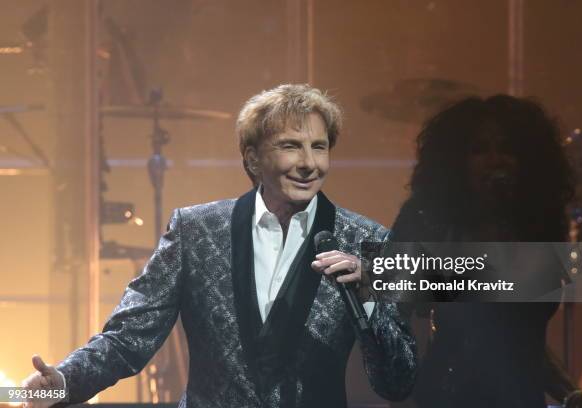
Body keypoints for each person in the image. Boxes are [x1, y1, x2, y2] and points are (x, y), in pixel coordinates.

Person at [22, 84, 417, 408]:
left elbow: (397, 381)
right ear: (253, 158)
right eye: (290, 146)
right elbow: (128, 338)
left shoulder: (366, 241)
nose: (309, 163)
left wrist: (369, 294)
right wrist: (60, 382)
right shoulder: (196, 230)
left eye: (319, 146)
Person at [390, 95, 582, 408]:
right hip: (447, 395)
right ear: (456, 162)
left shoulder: (540, 226)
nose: (495, 159)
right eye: (478, 150)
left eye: (508, 149)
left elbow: (520, 341)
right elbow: (386, 316)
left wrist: (570, 393)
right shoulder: (427, 218)